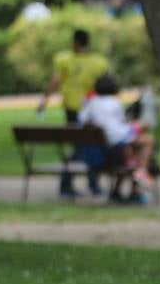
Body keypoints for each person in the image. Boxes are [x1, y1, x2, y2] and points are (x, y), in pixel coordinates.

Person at [39, 29, 109, 197]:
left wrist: (44, 101)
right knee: (91, 145)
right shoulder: (98, 62)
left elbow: (55, 81)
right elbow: (106, 85)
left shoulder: (64, 60)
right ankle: (93, 184)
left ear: (75, 42)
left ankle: (67, 184)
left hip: (72, 109)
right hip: (93, 110)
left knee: (80, 147)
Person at [79, 74, 155, 203]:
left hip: (103, 145)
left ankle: (123, 188)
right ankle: (141, 171)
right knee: (147, 140)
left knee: (131, 153)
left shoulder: (91, 102)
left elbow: (82, 120)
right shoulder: (114, 102)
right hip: (116, 141)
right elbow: (121, 123)